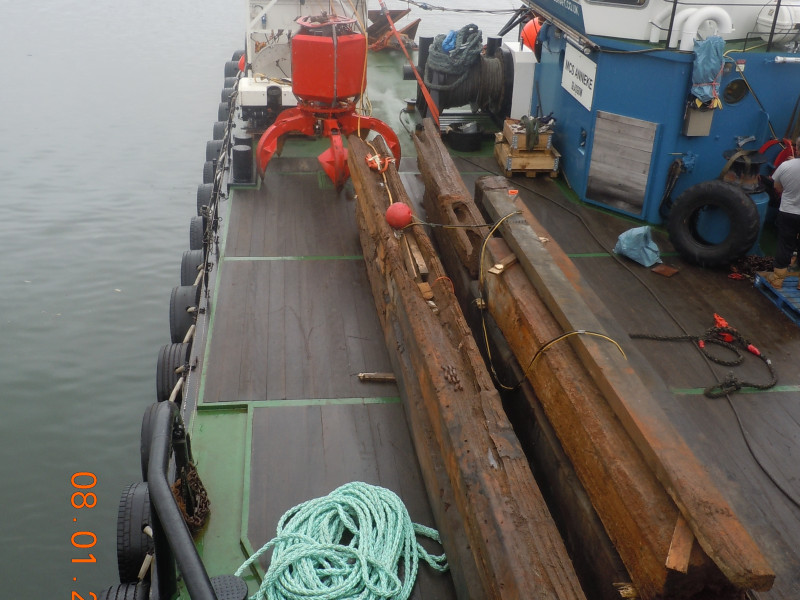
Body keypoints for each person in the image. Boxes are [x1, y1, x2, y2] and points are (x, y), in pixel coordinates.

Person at [766, 140, 800, 289]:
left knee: (785, 245)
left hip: (788, 212)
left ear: (797, 149)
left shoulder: (786, 166)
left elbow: (777, 187)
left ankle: (777, 279)